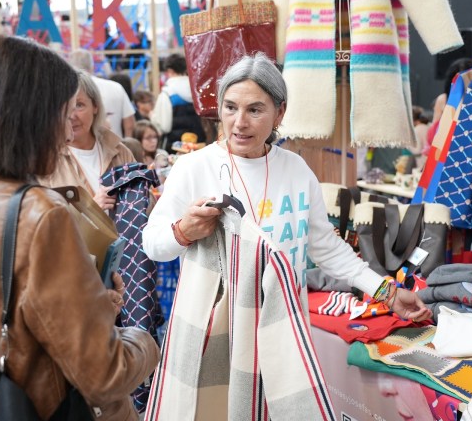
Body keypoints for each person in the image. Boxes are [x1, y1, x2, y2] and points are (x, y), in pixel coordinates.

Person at [0, 34, 159, 421]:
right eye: (64, 113)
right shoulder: (42, 215)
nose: (68, 131)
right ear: (32, 119)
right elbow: (104, 373)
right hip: (46, 420)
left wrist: (88, 304)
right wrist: (145, 340)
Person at [143, 53, 431, 319]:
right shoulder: (194, 167)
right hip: (216, 328)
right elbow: (153, 244)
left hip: (284, 327)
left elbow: (327, 249)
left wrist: (389, 294)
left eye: (254, 110)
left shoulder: (296, 170)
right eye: (230, 107)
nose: (239, 122)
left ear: (279, 113)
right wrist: (183, 231)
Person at [41, 70, 135, 211]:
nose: (71, 115)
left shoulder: (119, 151)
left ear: (95, 106)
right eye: (63, 107)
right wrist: (92, 209)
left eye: (79, 105)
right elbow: (45, 218)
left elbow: (148, 206)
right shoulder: (46, 161)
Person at [70, 49, 135, 137]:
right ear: (92, 67)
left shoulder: (66, 90)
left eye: (79, 105)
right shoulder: (116, 87)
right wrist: (127, 142)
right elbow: (129, 124)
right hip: (114, 142)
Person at [150, 53, 205, 152]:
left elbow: (165, 127)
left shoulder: (167, 93)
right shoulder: (196, 90)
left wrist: (152, 117)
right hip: (198, 143)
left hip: (176, 146)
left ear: (170, 71)